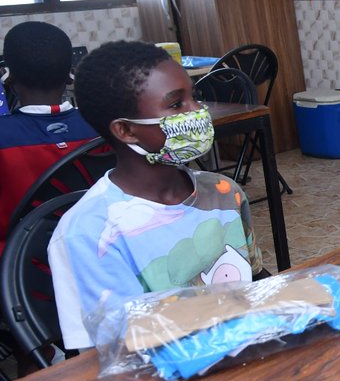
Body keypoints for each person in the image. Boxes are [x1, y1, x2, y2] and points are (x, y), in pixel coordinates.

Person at [49, 41, 266, 351]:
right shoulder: (90, 234)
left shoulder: (223, 192)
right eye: (176, 105)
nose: (197, 111)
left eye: (194, 97)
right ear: (126, 131)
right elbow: (117, 350)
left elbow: (254, 282)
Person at [0, 21, 97, 255]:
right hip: (97, 255)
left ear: (8, 77)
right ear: (70, 76)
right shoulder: (104, 126)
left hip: (20, 266)